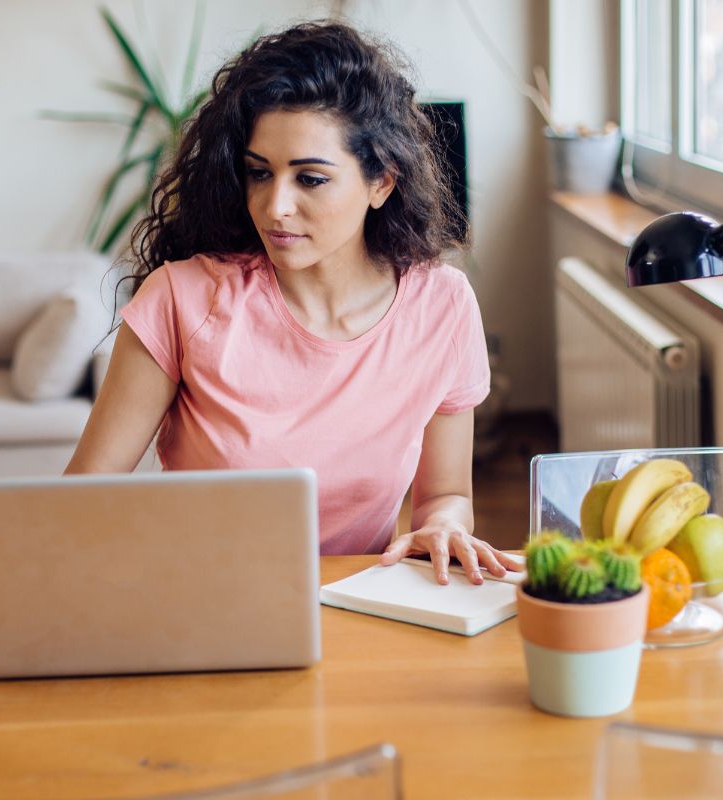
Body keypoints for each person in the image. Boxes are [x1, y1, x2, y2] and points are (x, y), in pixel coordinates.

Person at [65, 21, 522, 585]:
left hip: (360, 605)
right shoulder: (181, 299)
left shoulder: (442, 305)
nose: (275, 206)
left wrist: (445, 526)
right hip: (199, 600)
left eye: (310, 179)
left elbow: (446, 493)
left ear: (381, 182)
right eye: (260, 173)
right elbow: (85, 494)